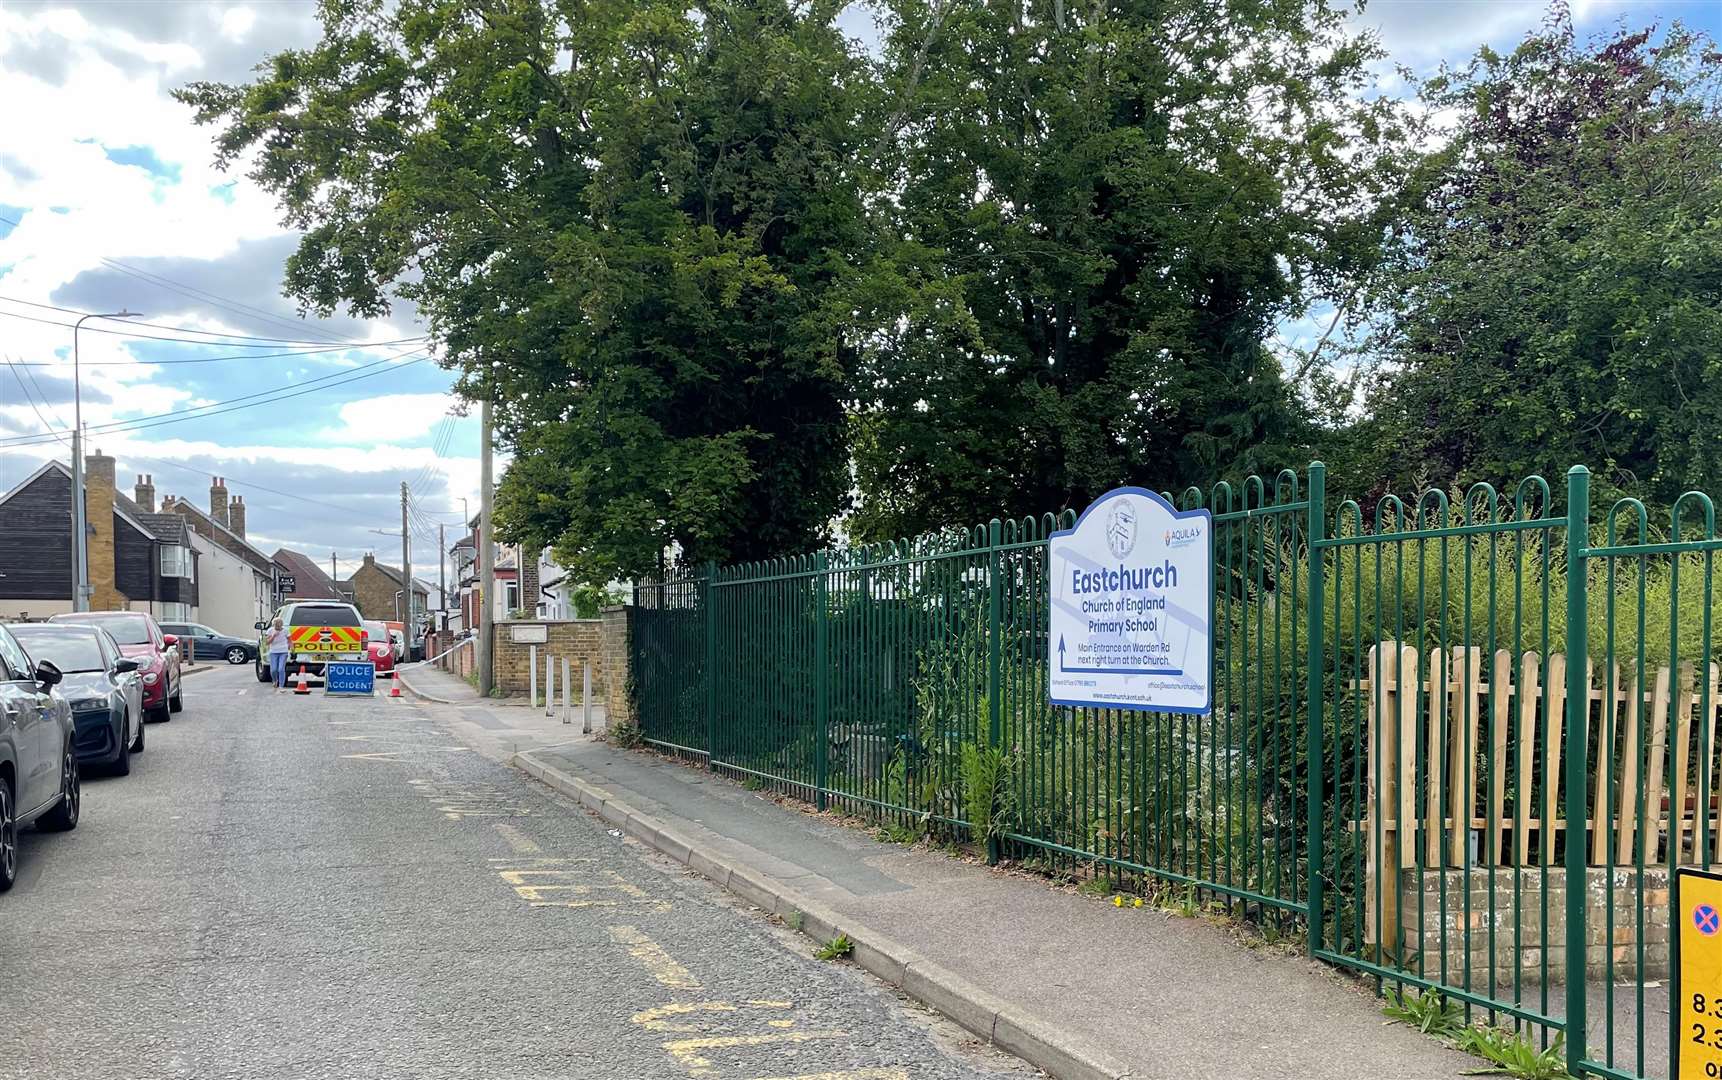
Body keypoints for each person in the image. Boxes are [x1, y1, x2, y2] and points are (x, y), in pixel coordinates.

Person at [265, 616, 291, 691]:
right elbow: (267, 642)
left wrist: (291, 648)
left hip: (283, 651)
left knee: (281, 669)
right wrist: (273, 636)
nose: (278, 627)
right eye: (276, 625)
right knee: (273, 670)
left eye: (279, 625)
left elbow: (290, 640)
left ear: (281, 625)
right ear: (274, 625)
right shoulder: (270, 630)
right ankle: (275, 680)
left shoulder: (286, 630)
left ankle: (281, 686)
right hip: (273, 652)